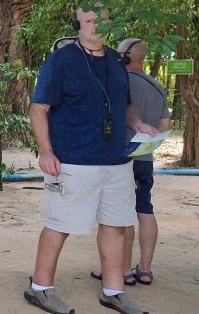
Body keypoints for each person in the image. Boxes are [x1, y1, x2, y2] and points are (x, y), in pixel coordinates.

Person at [23, 7, 158, 314]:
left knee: (115, 227)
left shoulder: (115, 60)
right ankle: (40, 288)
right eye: (89, 19)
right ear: (79, 24)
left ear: (111, 23)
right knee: (59, 225)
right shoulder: (61, 61)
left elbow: (125, 107)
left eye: (102, 19)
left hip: (116, 162)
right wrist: (46, 151)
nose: (95, 24)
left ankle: (113, 292)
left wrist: (138, 125)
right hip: (72, 161)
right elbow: (39, 109)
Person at [90, 39, 172, 286]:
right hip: (145, 158)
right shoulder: (157, 86)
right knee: (144, 208)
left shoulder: (118, 82)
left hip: (120, 157)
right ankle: (145, 270)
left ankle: (122, 270)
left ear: (124, 56)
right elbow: (165, 127)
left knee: (119, 215)